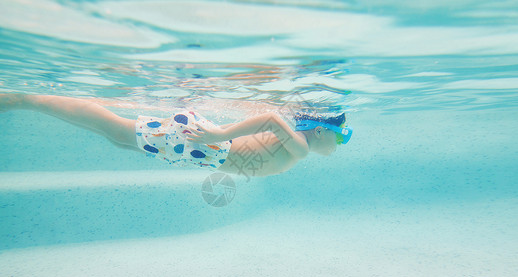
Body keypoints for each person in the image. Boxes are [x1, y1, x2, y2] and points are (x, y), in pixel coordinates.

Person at [0, 94, 352, 178]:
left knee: (115, 136)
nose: (337, 146)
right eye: (339, 138)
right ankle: (22, 99)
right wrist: (221, 130)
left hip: (199, 151)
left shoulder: (300, 144)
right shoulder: (301, 147)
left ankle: (27, 102)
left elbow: (269, 128)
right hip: (205, 144)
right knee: (113, 127)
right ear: (319, 129)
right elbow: (273, 117)